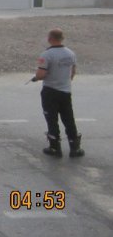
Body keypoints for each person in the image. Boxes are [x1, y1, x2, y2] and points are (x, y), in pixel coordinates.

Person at [31, 28, 85, 158]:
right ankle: (75, 147)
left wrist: (36, 77)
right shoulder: (70, 53)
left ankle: (55, 147)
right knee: (68, 118)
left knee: (52, 119)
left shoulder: (46, 55)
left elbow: (41, 74)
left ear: (50, 39)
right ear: (62, 38)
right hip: (65, 91)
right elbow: (72, 72)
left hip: (50, 91)